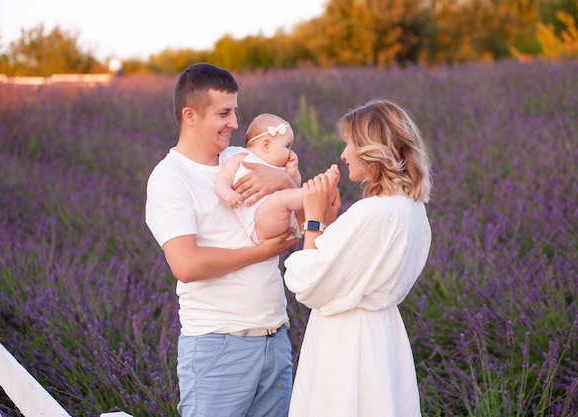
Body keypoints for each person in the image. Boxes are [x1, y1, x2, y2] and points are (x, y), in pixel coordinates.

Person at [145, 62, 299, 417]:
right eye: (224, 113)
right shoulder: (170, 178)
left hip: (274, 339)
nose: (234, 123)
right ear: (191, 116)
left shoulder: (241, 158)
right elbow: (186, 264)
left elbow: (294, 212)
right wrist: (262, 251)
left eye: (235, 111)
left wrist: (287, 182)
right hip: (218, 347)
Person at [283, 99, 432, 417]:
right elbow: (351, 269)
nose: (343, 154)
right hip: (382, 333)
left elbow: (309, 283)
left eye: (350, 144)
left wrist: (313, 219)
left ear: (371, 150)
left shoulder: (374, 211)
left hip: (350, 342)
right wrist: (332, 222)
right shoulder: (410, 208)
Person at [215, 112, 340, 243]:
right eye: (287, 146)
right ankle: (317, 190)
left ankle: (318, 192)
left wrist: (292, 171)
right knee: (280, 199)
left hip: (288, 219)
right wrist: (228, 194)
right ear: (266, 145)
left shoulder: (278, 167)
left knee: (285, 199)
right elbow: (222, 180)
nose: (291, 152)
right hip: (259, 223)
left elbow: (293, 188)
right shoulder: (241, 159)